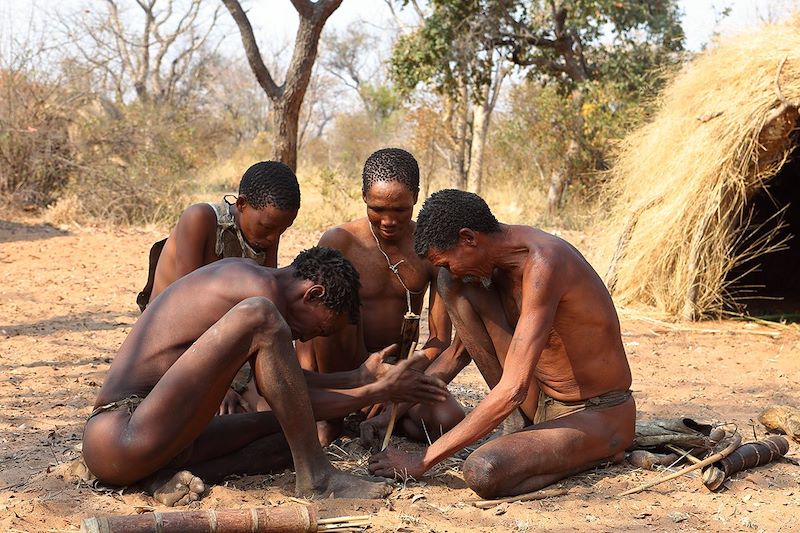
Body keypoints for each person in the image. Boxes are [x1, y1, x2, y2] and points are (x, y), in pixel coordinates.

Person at [83, 247, 448, 505]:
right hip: (122, 432)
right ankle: (317, 480)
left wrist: (357, 378)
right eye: (316, 330)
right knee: (260, 314)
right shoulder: (259, 297)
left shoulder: (259, 284)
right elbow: (286, 392)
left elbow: (289, 394)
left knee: (285, 437)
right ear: (313, 294)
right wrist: (375, 391)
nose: (304, 339)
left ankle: (156, 477)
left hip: (160, 445)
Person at [368, 190, 635, 499]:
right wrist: (391, 412)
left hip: (595, 413)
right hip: (540, 401)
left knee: (482, 471)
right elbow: (457, 354)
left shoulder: (545, 263)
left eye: (448, 261)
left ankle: (601, 451)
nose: (451, 268)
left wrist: (423, 460)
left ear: (468, 239)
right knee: (451, 283)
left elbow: (512, 389)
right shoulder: (494, 263)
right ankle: (526, 432)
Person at [295, 148, 465, 447]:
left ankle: (381, 415)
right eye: (377, 209)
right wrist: (306, 385)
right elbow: (310, 326)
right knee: (338, 312)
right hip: (343, 371)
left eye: (399, 210)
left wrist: (399, 379)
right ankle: (334, 418)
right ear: (363, 196)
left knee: (446, 420)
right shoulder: (340, 241)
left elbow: (439, 340)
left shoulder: (428, 249)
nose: (388, 221)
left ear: (416, 196)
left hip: (397, 369)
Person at [137, 160, 300, 310]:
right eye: (267, 227)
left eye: (283, 229)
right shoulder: (200, 218)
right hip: (169, 324)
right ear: (242, 204)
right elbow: (185, 298)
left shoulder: (268, 232)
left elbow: (266, 294)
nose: (274, 237)